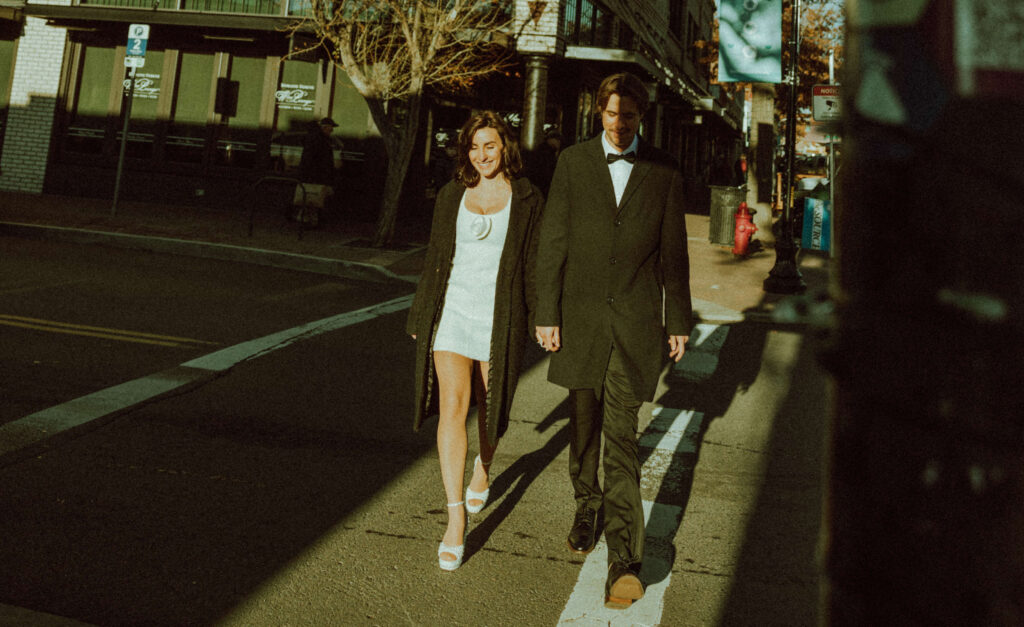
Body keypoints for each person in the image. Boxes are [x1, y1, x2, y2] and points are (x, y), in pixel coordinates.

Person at [534, 72, 693, 609]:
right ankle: (587, 504)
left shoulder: (664, 170)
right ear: (598, 112)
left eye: (628, 115)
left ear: (641, 116)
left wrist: (678, 320)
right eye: (611, 113)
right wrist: (545, 311)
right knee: (584, 427)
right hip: (579, 320)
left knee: (622, 440)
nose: (619, 123)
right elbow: (553, 239)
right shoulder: (574, 163)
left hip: (634, 323)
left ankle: (625, 561)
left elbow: (674, 252)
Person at [406, 111, 545, 571]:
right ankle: (454, 520)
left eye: (489, 146)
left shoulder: (526, 198)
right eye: (473, 147)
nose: (481, 155)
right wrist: (420, 313)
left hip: (499, 316)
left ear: (504, 147)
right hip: (453, 314)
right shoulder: (451, 195)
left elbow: (534, 266)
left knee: (491, 406)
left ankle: (484, 467)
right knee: (452, 408)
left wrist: (543, 318)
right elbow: (436, 258)